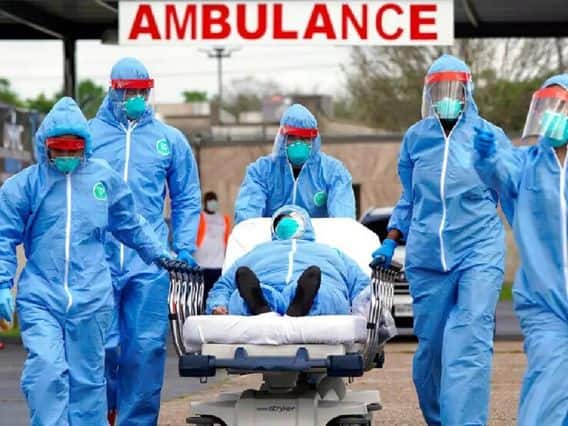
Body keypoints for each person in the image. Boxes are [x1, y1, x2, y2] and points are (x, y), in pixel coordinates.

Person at [0, 97, 169, 426]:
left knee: (88, 382)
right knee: (46, 371)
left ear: (85, 147)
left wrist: (157, 252)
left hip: (92, 295)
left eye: (73, 149)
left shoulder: (102, 179)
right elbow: (3, 235)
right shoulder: (24, 186)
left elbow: (129, 223)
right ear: (44, 146)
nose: (66, 156)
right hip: (42, 296)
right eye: (59, 149)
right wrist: (3, 283)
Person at [371, 54, 509, 425]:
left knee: (470, 339)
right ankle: (440, 419)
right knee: (431, 350)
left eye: (454, 89)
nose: (447, 97)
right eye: (439, 90)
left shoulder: (489, 137)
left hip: (479, 250)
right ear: (429, 94)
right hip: (428, 257)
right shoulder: (416, 139)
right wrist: (391, 239)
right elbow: (410, 197)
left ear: (467, 92)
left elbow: (511, 191)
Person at [88, 57, 201, 425]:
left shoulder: (170, 140)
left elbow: (186, 196)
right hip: (98, 256)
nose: (136, 98)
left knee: (145, 347)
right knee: (100, 344)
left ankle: (136, 421)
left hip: (150, 259)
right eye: (128, 92)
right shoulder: (88, 136)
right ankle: (104, 409)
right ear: (112, 90)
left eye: (142, 91)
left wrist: (184, 246)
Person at [473, 74, 568, 426]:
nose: (551, 117)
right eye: (547, 108)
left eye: (560, 108)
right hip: (545, 303)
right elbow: (498, 170)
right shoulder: (525, 163)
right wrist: (486, 156)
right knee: (548, 379)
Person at [206, 205, 369, 316]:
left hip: (314, 286)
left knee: (325, 294)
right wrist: (218, 305)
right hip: (270, 285)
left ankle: (262, 307)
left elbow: (361, 285)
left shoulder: (255, 252)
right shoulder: (331, 252)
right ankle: (265, 301)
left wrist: (364, 309)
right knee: (240, 295)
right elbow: (225, 284)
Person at [234, 104, 355, 224]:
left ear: (314, 140)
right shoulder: (261, 172)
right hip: (272, 237)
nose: (298, 144)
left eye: (304, 138)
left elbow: (343, 221)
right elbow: (247, 219)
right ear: (282, 138)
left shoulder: (333, 173)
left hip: (318, 237)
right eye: (292, 137)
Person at [195, 191, 231, 303]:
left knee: (215, 293)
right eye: (210, 201)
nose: (212, 204)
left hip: (218, 264)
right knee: (201, 295)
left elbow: (226, 240)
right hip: (201, 264)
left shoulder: (224, 219)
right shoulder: (199, 218)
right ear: (205, 203)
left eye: (214, 201)